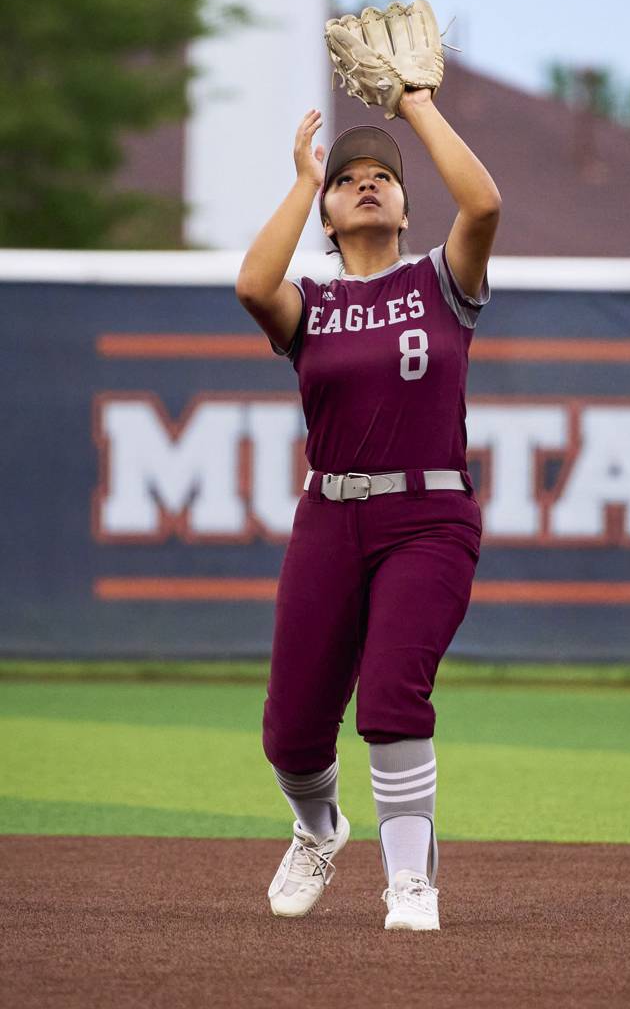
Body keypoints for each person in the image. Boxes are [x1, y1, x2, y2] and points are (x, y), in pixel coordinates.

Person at [236, 87, 501, 931]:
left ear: (404, 202)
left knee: (390, 696)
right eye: (347, 179)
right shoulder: (310, 304)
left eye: (380, 176)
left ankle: (410, 883)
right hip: (330, 517)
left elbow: (485, 201)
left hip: (429, 519)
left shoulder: (441, 280)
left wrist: (416, 106)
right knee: (291, 728)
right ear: (329, 211)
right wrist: (300, 180)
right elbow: (252, 284)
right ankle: (319, 830)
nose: (365, 184)